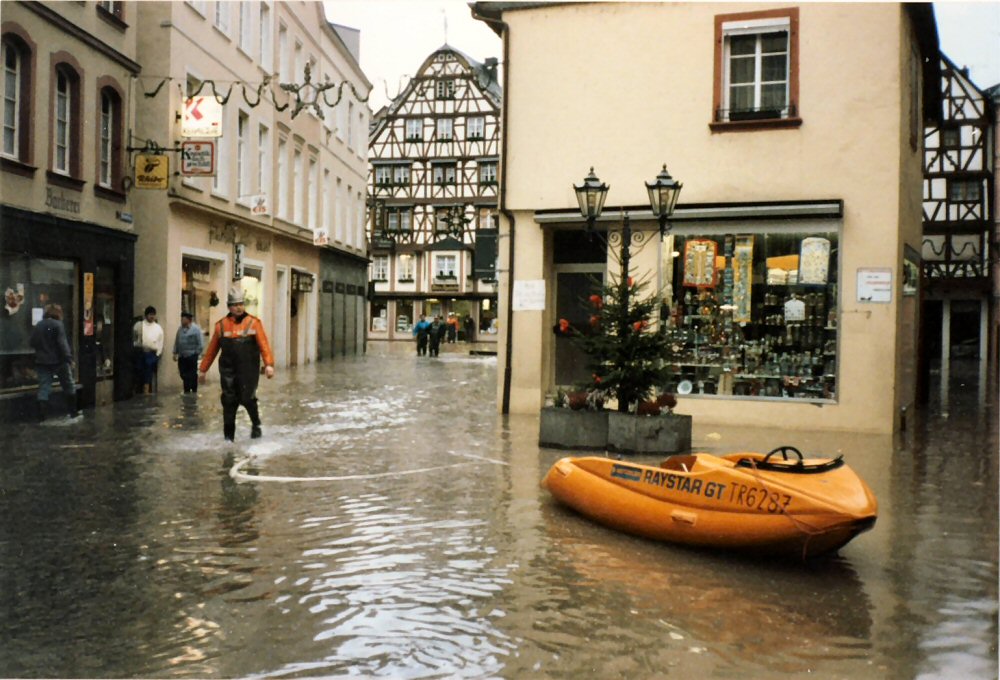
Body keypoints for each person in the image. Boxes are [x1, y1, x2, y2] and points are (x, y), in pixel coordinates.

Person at [199, 286, 274, 441]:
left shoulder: (254, 323)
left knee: (247, 398)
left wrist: (268, 364)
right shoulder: (220, 326)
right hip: (228, 371)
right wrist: (203, 369)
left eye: (241, 304)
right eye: (235, 305)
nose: (239, 307)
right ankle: (228, 439)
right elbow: (212, 350)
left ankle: (256, 424)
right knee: (228, 402)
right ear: (229, 307)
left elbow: (264, 345)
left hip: (248, 371)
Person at [30, 303, 79, 420]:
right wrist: (69, 359)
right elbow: (62, 344)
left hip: (42, 362)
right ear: (58, 313)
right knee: (68, 385)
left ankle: (41, 416)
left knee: (44, 388)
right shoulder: (58, 325)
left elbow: (32, 342)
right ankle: (73, 412)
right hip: (59, 361)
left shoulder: (39, 325)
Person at [132, 305, 164, 394]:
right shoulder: (139, 325)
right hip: (140, 352)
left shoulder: (158, 328)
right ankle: (138, 391)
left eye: (153, 314)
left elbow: (160, 341)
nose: (152, 316)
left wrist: (157, 354)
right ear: (146, 315)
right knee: (139, 371)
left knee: (148, 373)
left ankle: (146, 391)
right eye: (150, 314)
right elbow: (134, 338)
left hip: (152, 354)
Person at [173, 311, 204, 393]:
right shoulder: (180, 329)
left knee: (192, 374)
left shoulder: (196, 329)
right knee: (183, 374)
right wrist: (175, 352)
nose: (181, 321)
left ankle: (193, 391)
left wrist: (196, 353)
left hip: (192, 356)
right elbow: (177, 341)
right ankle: (187, 389)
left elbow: (200, 343)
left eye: (183, 319)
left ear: (188, 320)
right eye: (181, 319)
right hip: (182, 356)